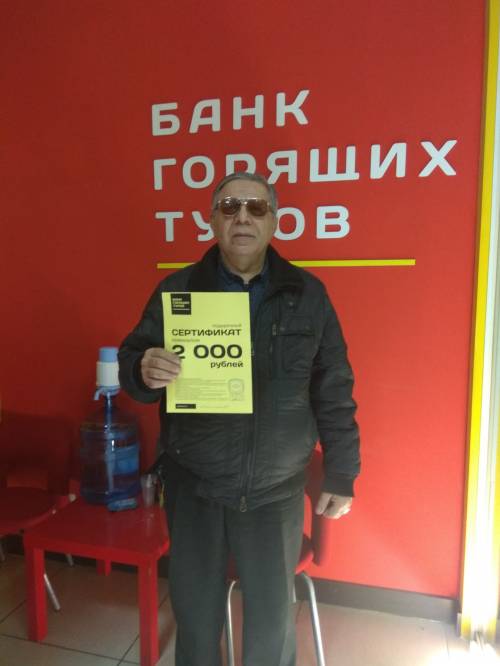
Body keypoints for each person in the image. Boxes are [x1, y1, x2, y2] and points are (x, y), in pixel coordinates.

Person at [118, 172, 360, 666]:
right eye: (230, 207)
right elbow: (133, 362)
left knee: (271, 630)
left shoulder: (308, 295)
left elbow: (333, 388)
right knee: (196, 624)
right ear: (213, 220)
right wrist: (143, 369)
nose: (242, 217)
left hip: (275, 494)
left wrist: (342, 471)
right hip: (195, 488)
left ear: (274, 220)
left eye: (256, 208)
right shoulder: (178, 290)